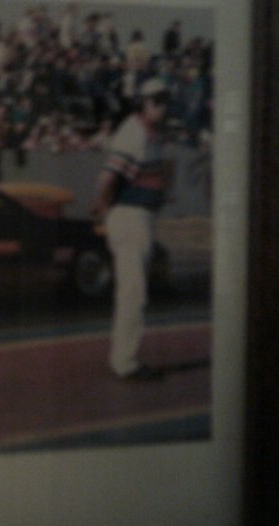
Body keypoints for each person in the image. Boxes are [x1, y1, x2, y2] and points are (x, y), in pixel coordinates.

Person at [91, 78, 172, 381]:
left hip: (142, 216)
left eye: (165, 100)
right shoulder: (134, 133)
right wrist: (105, 211)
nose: (163, 107)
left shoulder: (153, 133)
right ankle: (125, 363)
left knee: (134, 291)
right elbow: (107, 178)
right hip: (130, 216)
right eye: (156, 101)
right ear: (143, 104)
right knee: (133, 292)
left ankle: (125, 358)